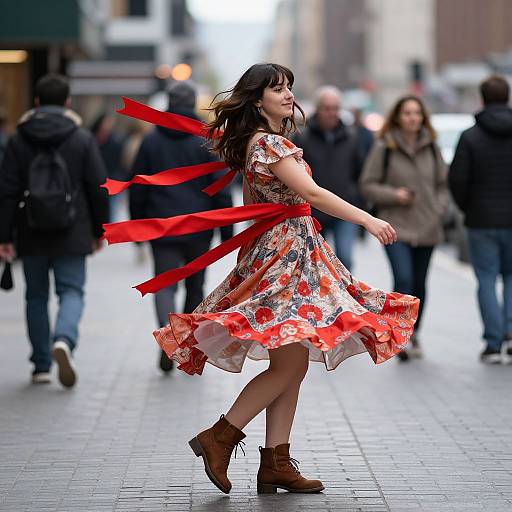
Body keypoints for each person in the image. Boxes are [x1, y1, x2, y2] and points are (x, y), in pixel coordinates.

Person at [103, 63, 418, 494]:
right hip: (289, 261)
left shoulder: (263, 143)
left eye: (289, 86)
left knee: (291, 366)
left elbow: (257, 203)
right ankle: (221, 437)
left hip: (289, 255)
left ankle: (275, 462)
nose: (288, 94)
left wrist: (255, 257)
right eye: (277, 89)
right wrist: (368, 219)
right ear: (257, 100)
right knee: (288, 367)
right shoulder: (268, 143)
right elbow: (311, 194)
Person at [0, 74, 108, 387]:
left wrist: (4, 236)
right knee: (71, 291)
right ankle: (64, 339)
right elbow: (98, 187)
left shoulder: (19, 140)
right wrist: (100, 231)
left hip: (30, 229)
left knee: (35, 297)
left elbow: (6, 191)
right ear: (67, 103)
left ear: (35, 102)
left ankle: (41, 365)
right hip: (73, 229)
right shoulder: (81, 138)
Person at [129, 81, 233, 374]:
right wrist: (227, 230)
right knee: (194, 284)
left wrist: (137, 225)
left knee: (164, 283)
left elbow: (138, 185)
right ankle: (181, 340)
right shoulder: (206, 139)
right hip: (199, 226)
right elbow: (219, 185)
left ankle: (167, 335)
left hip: (161, 225)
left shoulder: (151, 140)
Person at [360, 95, 449, 361]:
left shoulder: (432, 147)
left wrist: (439, 208)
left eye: (417, 113)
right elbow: (368, 184)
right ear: (398, 117)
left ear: (423, 118)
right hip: (395, 226)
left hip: (427, 225)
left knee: (420, 284)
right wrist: (393, 195)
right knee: (404, 280)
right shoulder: (385, 147)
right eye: (407, 113)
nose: (412, 118)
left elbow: (443, 184)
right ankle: (399, 335)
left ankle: (415, 334)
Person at [449, 74, 512, 364]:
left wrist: (469, 207)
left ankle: (492, 342)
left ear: (483, 100)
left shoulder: (470, 136)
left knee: (486, 279)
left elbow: (458, 180)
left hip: (482, 219)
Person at [293, 86, 363, 271]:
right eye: (327, 108)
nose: (331, 113)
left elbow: (359, 171)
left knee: (345, 260)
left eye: (335, 108)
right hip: (313, 210)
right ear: (318, 108)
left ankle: (344, 299)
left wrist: (357, 198)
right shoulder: (303, 137)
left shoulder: (351, 136)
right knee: (314, 261)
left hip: (344, 207)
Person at [91, 112, 126, 222]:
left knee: (112, 211)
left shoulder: (116, 141)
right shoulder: (91, 139)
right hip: (96, 181)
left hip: (112, 182)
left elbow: (119, 163)